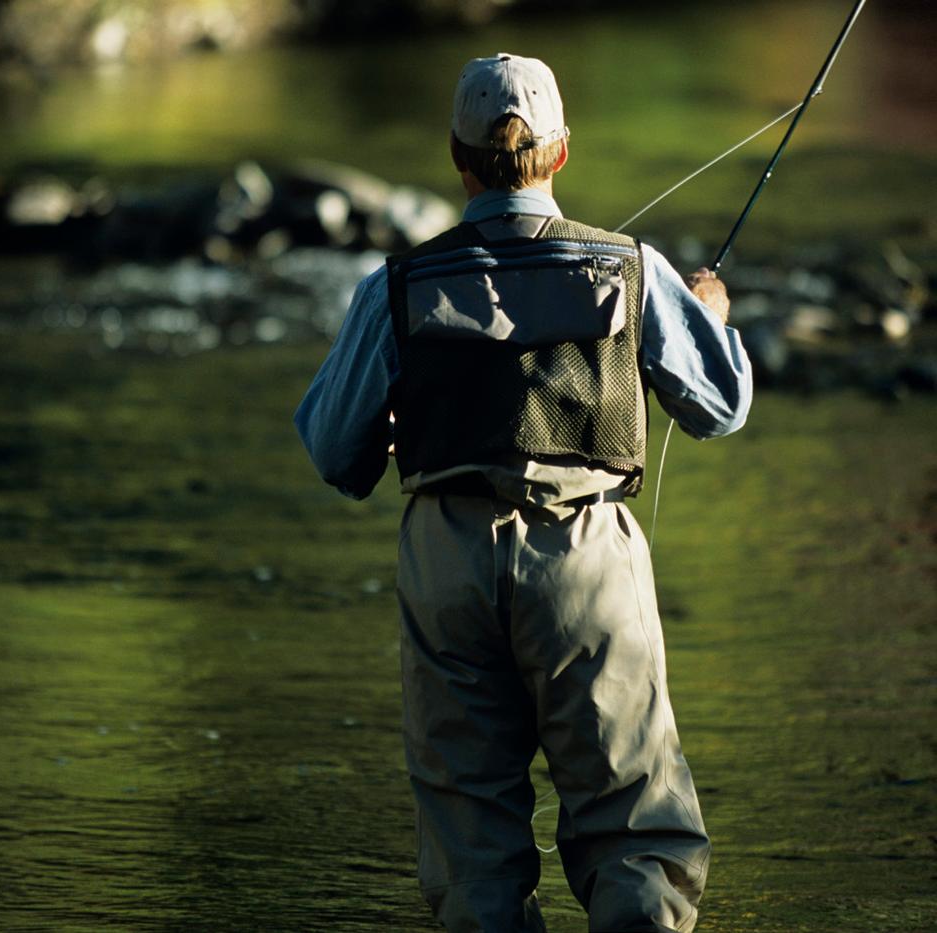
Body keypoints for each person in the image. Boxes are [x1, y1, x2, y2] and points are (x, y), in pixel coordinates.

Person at [295, 53, 751, 933]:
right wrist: (713, 322)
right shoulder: (631, 267)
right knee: (633, 830)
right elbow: (721, 409)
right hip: (585, 559)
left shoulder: (394, 286)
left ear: (458, 159)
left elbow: (332, 452)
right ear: (562, 154)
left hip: (445, 559)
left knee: (472, 849)